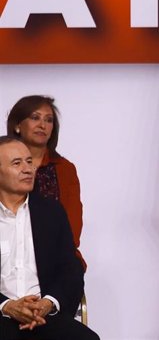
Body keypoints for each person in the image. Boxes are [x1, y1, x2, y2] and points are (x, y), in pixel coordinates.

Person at [0, 136, 99, 339]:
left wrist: (48, 302)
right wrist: (7, 305)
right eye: (17, 163)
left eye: (29, 161)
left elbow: (70, 269)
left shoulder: (52, 212)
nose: (28, 169)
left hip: (44, 315)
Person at [6, 96, 85, 269]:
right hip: (7, 261)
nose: (42, 125)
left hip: (56, 261)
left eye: (49, 120)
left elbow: (73, 226)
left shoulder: (65, 168)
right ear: (17, 125)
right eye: (35, 118)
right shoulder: (2, 164)